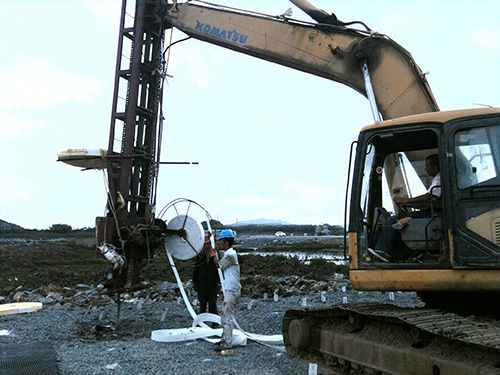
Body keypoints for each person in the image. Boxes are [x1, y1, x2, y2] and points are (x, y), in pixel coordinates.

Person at [369, 153, 441, 262]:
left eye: (427, 166)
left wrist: (405, 200)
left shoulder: (439, 180)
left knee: (394, 219)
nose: (425, 169)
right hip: (431, 211)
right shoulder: (438, 179)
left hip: (431, 214)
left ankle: (382, 251)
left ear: (435, 168)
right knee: (400, 221)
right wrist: (410, 204)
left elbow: (428, 197)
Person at [213, 229, 241, 351]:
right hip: (231, 288)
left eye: (221, 241)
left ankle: (227, 342)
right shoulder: (229, 254)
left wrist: (213, 253)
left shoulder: (230, 255)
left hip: (232, 289)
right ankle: (224, 339)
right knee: (226, 314)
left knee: (227, 315)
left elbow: (219, 265)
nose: (220, 244)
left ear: (226, 242)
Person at [192, 231, 219, 316]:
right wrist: (195, 283)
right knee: (203, 305)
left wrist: (219, 282)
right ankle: (201, 322)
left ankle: (214, 322)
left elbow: (219, 269)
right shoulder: (200, 256)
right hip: (202, 284)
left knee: (212, 304)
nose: (207, 246)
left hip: (212, 284)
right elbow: (196, 270)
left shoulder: (215, 256)